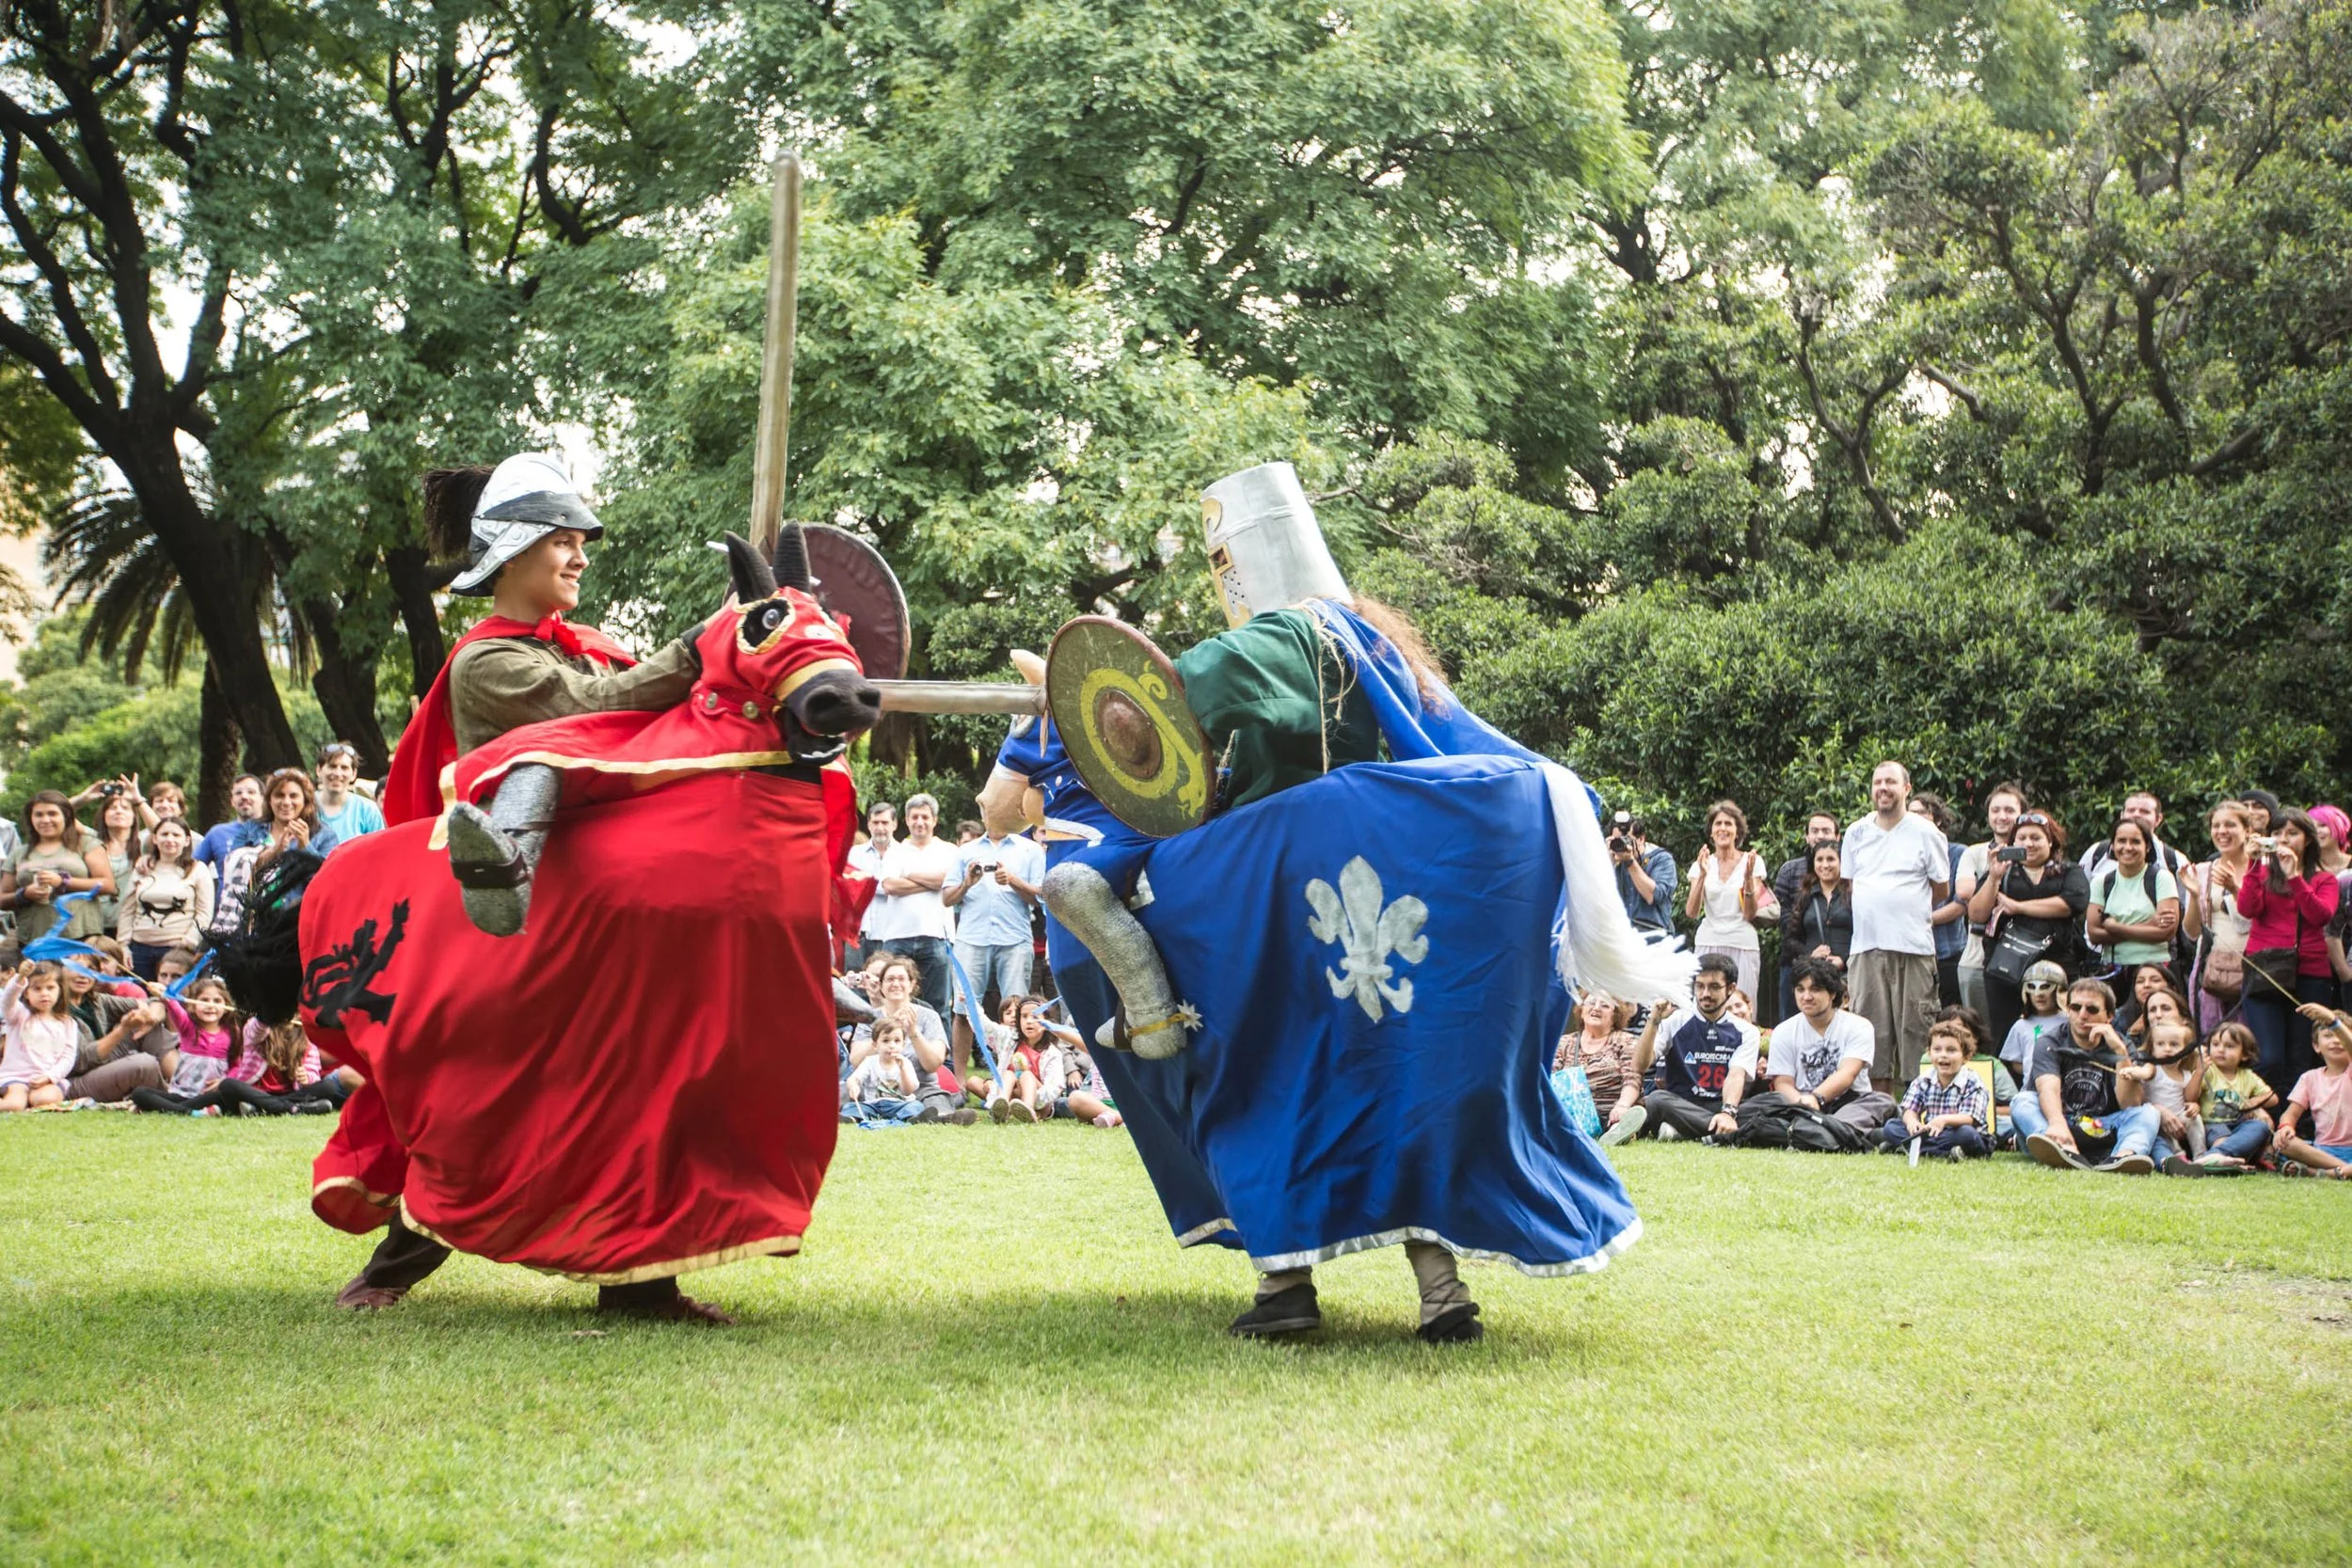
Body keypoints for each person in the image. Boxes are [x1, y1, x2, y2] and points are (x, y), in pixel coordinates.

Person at [1021, 461, 1678, 1344]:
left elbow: (1183, 689)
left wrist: (1093, 709)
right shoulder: (1378, 645)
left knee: (1242, 1061)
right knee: (1404, 1084)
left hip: (1290, 901)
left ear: (1239, 568)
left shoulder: (1295, 630)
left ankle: (1284, 1282)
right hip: (1373, 896)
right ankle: (1441, 1293)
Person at [305, 460, 877, 1323]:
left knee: (648, 1085)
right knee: (489, 1090)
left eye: (579, 544)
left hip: (614, 919)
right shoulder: (490, 663)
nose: (577, 559)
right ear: (512, 556)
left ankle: (643, 1283)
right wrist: (702, 642)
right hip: (531, 924)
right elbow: (601, 707)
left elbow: (675, 726)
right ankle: (402, 1254)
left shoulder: (591, 639)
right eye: (562, 544)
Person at [1842, 761, 1950, 1092]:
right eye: (1877, 782)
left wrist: (1905, 909)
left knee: (1917, 1033)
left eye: (1890, 782)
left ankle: (1916, 1112)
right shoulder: (1856, 832)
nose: (1883, 788)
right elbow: (1850, 886)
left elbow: (1941, 889)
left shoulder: (1926, 832)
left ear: (1906, 788)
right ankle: (1879, 1115)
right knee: (1871, 1034)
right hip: (1866, 949)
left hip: (1913, 948)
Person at [2227, 808, 2339, 1095]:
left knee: (2302, 1056)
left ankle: (2294, 1125)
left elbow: (2321, 915)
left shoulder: (2324, 879)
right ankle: (2265, 1121)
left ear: (2308, 840)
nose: (2284, 839)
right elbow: (2247, 909)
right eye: (2277, 833)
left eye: (2292, 833)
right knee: (2269, 1056)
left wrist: (2294, 878)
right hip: (2266, 972)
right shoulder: (2261, 872)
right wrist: (2253, 865)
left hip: (2310, 974)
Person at [1967, 811, 2090, 1045]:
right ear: (2012, 842)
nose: (2028, 843)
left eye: (2036, 837)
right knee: (2006, 1033)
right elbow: (1976, 914)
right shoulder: (2003, 873)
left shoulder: (2068, 871)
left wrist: (2018, 906)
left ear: (2050, 841)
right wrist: (1993, 878)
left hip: (2058, 963)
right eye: (2021, 838)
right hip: (2006, 967)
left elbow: (2072, 903)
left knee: (2062, 1028)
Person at [2013, 977, 2158, 1173]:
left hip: (2103, 1126)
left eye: (2092, 1009)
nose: (2082, 1015)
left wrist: (2119, 1052)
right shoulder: (2050, 1041)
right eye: (2075, 1007)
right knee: (2022, 1101)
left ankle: (2122, 1157)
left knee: (2148, 1113)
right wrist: (2057, 1125)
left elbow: (2130, 1105)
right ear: (2068, 1010)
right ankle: (2062, 1150)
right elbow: (2048, 1088)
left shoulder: (2121, 1044)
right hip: (2061, 1122)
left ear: (2109, 1016)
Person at [1759, 957, 1893, 1135]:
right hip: (1800, 1104)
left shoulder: (1859, 1026)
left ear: (1833, 994)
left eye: (1815, 990)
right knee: (1761, 1106)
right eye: (1800, 989)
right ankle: (1831, 1132)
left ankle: (1811, 1131)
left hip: (1850, 1103)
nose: (1806, 997)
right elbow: (1783, 1083)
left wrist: (1816, 1098)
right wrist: (1804, 1105)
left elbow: (1848, 1073)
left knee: (1882, 1101)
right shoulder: (1784, 1031)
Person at [1633, 954, 1760, 1141]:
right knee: (1656, 1100)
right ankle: (1727, 1132)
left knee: (1776, 1102)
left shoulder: (1746, 1031)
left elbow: (1735, 1075)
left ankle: (1683, 1130)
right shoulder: (1675, 1020)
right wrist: (1654, 1021)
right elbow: (1639, 1066)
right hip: (1680, 1103)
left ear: (1731, 989)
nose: (1705, 994)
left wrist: (1727, 1113)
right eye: (1700, 986)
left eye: (1714, 987)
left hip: (1722, 1104)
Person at [863, 794, 960, 1020]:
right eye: (914, 817)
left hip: (936, 936)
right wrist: (932, 882)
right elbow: (889, 886)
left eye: (925, 817)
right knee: (892, 1001)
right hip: (898, 936)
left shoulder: (948, 851)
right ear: (906, 820)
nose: (920, 822)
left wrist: (910, 875)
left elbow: (948, 882)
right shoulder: (895, 850)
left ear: (935, 820)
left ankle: (940, 1054)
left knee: (938, 1004)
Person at [844, 955, 963, 1122]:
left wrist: (913, 1032)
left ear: (912, 984)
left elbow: (933, 1064)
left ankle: (937, 1117)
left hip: (920, 1088)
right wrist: (884, 1033)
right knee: (844, 1091)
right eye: (890, 979)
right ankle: (851, 1116)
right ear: (882, 986)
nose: (895, 984)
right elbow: (855, 1060)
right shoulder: (869, 1017)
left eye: (902, 979)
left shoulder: (929, 1016)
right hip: (874, 1089)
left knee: (936, 1097)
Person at [944, 819, 1044, 1012]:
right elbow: (947, 899)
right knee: (964, 1010)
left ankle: (1016, 1043)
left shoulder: (1031, 849)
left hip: (1014, 939)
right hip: (971, 938)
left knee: (1016, 1009)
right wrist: (966, 884)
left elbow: (1040, 899)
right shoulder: (966, 850)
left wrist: (1012, 880)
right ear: (983, 814)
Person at [1953, 783, 2029, 1021]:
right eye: (1996, 810)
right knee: (1979, 1032)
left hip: (2025, 954)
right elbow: (1965, 893)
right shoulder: (1975, 853)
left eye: (2009, 810)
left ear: (2022, 814)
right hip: (1977, 955)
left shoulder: (2036, 850)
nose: (2002, 816)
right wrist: (1994, 874)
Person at [2, 792, 116, 945]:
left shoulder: (86, 844)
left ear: (66, 816)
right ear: (31, 818)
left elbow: (108, 885)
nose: (45, 820)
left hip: (80, 938)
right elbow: (2, 898)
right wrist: (25, 894)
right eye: (39, 815)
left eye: (52, 814)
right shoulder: (19, 853)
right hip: (34, 940)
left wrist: (63, 882)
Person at [1684, 800, 1771, 1005]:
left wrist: (1748, 878)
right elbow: (1691, 912)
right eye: (1718, 824)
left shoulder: (1752, 862)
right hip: (1708, 941)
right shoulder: (1702, 864)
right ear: (1711, 832)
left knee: (1742, 1006)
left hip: (1742, 942)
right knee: (1705, 1005)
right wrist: (1703, 875)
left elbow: (1750, 914)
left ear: (1737, 831)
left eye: (1728, 824)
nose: (1723, 828)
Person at [2183, 800, 2256, 1035]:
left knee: (2249, 1041)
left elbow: (2250, 922)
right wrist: (2194, 896)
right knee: (2211, 1038)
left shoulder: (2262, 869)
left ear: (2247, 830)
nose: (2222, 832)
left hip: (2253, 965)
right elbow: (2192, 932)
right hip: (2214, 967)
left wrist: (2235, 888)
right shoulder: (2202, 871)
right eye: (2216, 826)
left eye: (2230, 825)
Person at [2166, 1021, 2275, 1175]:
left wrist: (2253, 1103)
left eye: (2229, 1046)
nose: (2220, 1050)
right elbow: (2189, 1097)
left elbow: (2272, 1097)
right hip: (2212, 1125)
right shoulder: (2209, 1071)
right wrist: (2199, 1073)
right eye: (2215, 1044)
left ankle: (2213, 1159)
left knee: (2260, 1127)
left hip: (2238, 1124)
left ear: (2244, 1054)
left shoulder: (2247, 1076)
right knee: (2222, 1138)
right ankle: (2214, 1159)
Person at [114, 818, 215, 980]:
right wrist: (123, 945)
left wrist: (188, 943)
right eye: (164, 834)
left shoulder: (198, 870)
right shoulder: (143, 868)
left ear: (187, 840)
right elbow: (127, 909)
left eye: (176, 835)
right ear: (154, 838)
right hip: (139, 949)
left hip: (177, 950)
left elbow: (204, 913)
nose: (170, 839)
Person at [1879, 1017, 1992, 1159]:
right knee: (1891, 1127)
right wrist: (1912, 1121)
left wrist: (1943, 1120)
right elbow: (1910, 1109)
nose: (1943, 1055)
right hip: (1931, 1132)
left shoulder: (1972, 1081)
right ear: (1929, 1053)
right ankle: (1944, 1152)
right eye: (1937, 1049)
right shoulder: (1924, 1080)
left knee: (1967, 1134)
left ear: (1966, 1057)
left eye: (1951, 1050)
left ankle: (1911, 1147)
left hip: (1959, 1133)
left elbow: (1969, 1118)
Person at [2086, 816, 2181, 975]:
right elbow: (2094, 934)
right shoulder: (2101, 883)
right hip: (2113, 970)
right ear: (2113, 845)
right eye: (2121, 841)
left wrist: (2115, 928)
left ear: (2148, 846)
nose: (2127, 847)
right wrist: (2148, 925)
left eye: (2136, 842)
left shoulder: (2162, 879)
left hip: (2155, 970)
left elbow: (2166, 933)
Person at [1552, 990, 1646, 1146]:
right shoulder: (1565, 1043)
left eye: (1604, 1006)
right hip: (1571, 1113)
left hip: (1610, 1112)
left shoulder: (1625, 1041)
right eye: (1591, 1003)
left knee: (1621, 1118)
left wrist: (1622, 1106)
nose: (1596, 1008)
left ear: (1615, 1015)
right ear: (1581, 1011)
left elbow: (1633, 1078)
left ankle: (1618, 1129)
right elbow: (1551, 1077)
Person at [2275, 1004, 2352, 1176]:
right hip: (2323, 1152)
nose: (2336, 1040)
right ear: (2316, 1046)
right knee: (2285, 1142)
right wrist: (2286, 1127)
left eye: (2341, 1035)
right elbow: (2290, 1114)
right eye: (2328, 1035)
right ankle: (2341, 1171)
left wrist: (2334, 1022)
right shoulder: (2309, 1078)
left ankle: (2323, 1173)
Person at [1911, 793, 1969, 1006]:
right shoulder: (1903, 854)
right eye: (1909, 813)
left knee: (1950, 1013)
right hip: (1913, 952)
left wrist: (1922, 919)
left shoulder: (1957, 853)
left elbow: (1961, 904)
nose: (1914, 818)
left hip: (1949, 951)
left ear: (1937, 818)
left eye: (1920, 812)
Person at [0, 961, 80, 1112]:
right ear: (26, 992)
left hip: (46, 1078)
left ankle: (31, 1098)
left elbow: (68, 1056)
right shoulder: (18, 1015)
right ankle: (17, 1099)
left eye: (50, 988)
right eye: (37, 989)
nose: (44, 993)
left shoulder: (68, 1023)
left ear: (60, 990)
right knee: (15, 1104)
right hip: (16, 1077)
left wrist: (50, 1077)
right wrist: (20, 977)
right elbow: (7, 1000)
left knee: (46, 1099)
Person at [1782, 841, 1853, 974]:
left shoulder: (1853, 895)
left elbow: (1866, 936)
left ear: (1841, 862)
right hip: (1814, 976)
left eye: (1831, 859)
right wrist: (1810, 955)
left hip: (1850, 975)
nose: (1825, 865)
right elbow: (1790, 940)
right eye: (1819, 859)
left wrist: (1844, 959)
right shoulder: (1805, 896)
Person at [841, 1018, 925, 1125]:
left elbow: (907, 1091)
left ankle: (907, 1117)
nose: (891, 1045)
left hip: (900, 1105)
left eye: (897, 1041)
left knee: (916, 1106)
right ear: (875, 1045)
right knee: (850, 1107)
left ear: (903, 1045)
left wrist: (903, 1070)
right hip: (874, 1105)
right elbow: (853, 1078)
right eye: (886, 1041)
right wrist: (853, 1086)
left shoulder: (905, 1063)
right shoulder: (870, 1061)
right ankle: (853, 1118)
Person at [1609, 812, 1677, 940]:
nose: (1621, 845)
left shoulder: (1661, 859)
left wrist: (1630, 862)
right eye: (1616, 840)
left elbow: (1654, 895)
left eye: (1626, 839)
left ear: (1641, 839)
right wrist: (1607, 861)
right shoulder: (1614, 862)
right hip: (1622, 937)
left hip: (1654, 937)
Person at [1998, 960, 2070, 1079]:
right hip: (2031, 1088)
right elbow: (2016, 1062)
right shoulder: (2021, 1025)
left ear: (2059, 991)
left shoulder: (2069, 1022)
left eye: (2045, 987)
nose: (2038, 995)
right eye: (2032, 987)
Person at [86, 786, 143, 934]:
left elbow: (162, 828)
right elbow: (62, 813)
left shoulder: (145, 842)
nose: (118, 811)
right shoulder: (91, 841)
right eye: (112, 808)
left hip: (132, 927)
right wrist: (83, 798)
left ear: (134, 816)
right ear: (103, 815)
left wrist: (139, 801)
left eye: (125, 808)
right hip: (94, 926)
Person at [312, 742, 387, 848]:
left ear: (354, 774)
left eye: (344, 768)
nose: (338, 773)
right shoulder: (304, 806)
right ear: (319, 770)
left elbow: (380, 851)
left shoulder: (367, 810)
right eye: (332, 766)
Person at [194, 775, 267, 874]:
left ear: (263, 799)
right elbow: (192, 868)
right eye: (238, 793)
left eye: (251, 792)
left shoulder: (274, 830)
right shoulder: (217, 833)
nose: (244, 797)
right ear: (232, 801)